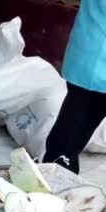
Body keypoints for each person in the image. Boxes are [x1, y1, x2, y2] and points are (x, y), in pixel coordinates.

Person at [43, 0, 106, 174]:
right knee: (70, 134)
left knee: (75, 133)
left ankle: (59, 175)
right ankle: (54, 179)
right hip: (94, 60)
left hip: (91, 56)